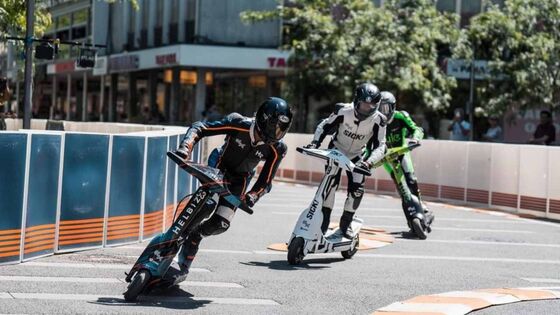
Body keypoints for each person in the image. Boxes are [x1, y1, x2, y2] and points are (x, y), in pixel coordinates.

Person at [173, 97, 293, 276]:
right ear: (262, 119)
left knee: (221, 223)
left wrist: (253, 195)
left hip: (240, 180)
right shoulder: (239, 123)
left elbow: (266, 181)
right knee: (206, 205)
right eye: (273, 126)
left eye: (280, 130)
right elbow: (200, 127)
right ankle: (175, 238)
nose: (275, 134)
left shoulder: (278, 148)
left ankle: (195, 236)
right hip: (218, 167)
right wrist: (186, 147)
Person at [304, 83, 387, 238]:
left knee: (356, 191)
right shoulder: (342, 110)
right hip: (336, 150)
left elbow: (381, 146)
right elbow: (325, 125)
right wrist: (314, 142)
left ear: (376, 106)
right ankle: (324, 221)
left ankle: (346, 222)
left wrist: (368, 162)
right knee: (329, 186)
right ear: (356, 101)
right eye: (363, 104)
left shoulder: (380, 120)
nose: (365, 109)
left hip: (358, 156)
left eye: (370, 106)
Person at [377, 91, 434, 230]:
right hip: (386, 158)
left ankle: (421, 207)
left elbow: (417, 129)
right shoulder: (373, 121)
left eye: (384, 108)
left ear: (393, 107)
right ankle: (411, 219)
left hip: (402, 152)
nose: (381, 112)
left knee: (411, 180)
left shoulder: (400, 116)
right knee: (402, 187)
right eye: (378, 107)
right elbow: (367, 143)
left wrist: (415, 138)